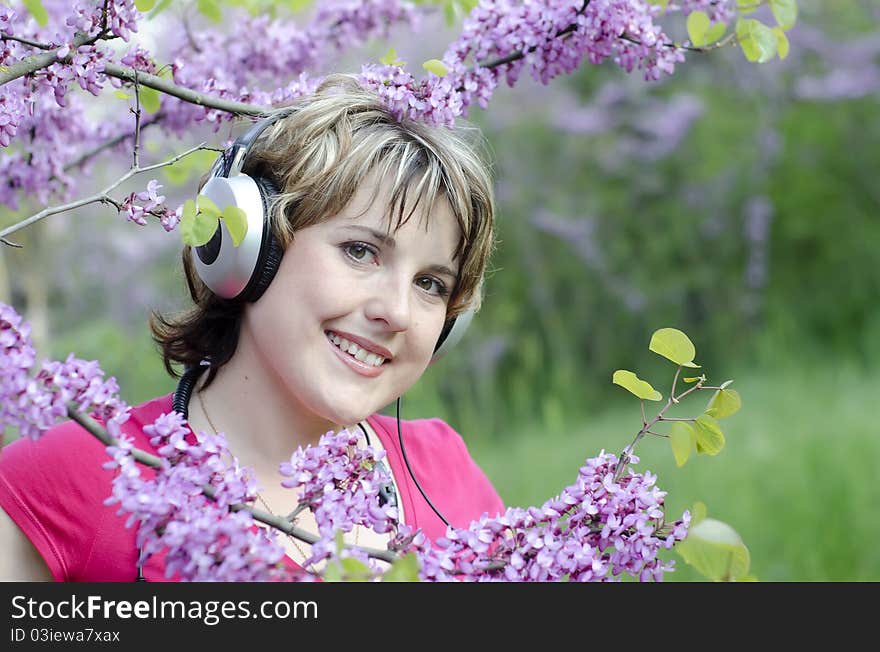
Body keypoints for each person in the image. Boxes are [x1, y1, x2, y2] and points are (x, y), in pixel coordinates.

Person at [0, 74, 503, 581]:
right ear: (251, 249)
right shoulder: (67, 479)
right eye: (360, 251)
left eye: (432, 284)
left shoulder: (447, 475)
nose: (397, 312)